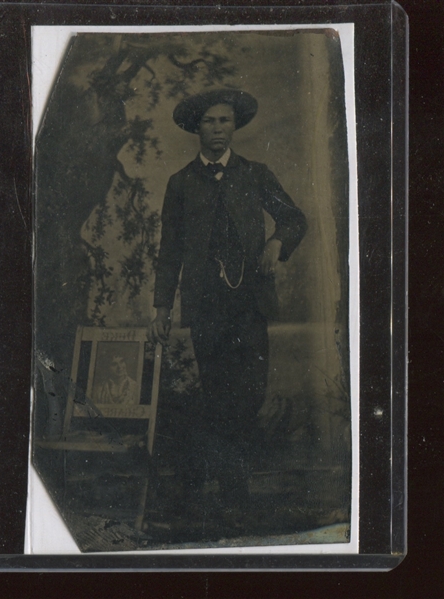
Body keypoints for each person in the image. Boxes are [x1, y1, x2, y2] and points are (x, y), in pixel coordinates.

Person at [147, 89, 307, 521]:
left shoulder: (255, 174)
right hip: (205, 305)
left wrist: (276, 242)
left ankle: (228, 480)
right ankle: (233, 492)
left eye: (225, 121)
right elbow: (170, 251)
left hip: (248, 303)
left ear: (234, 126)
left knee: (250, 392)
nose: (218, 129)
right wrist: (162, 307)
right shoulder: (181, 183)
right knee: (218, 394)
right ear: (197, 128)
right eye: (210, 122)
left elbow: (295, 219)